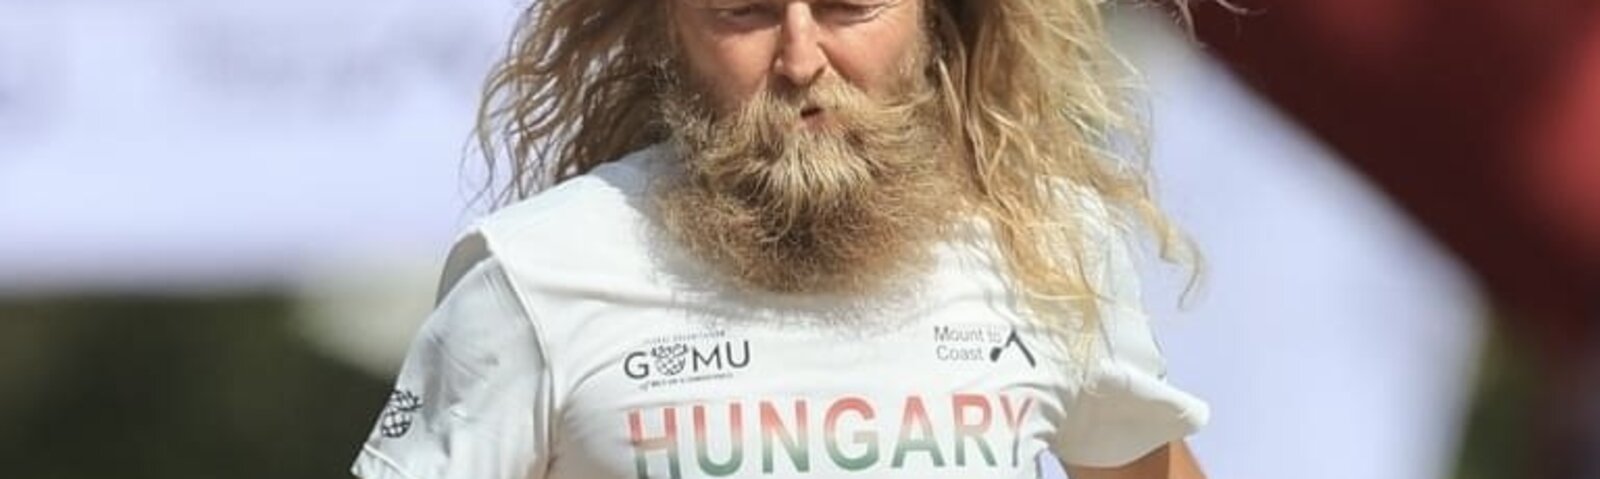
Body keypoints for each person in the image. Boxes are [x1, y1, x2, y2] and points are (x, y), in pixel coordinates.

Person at [351, 1, 1209, 478]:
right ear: (666, 27)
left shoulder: (1044, 245)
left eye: (849, 6)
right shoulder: (533, 273)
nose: (801, 58)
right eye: (745, 11)